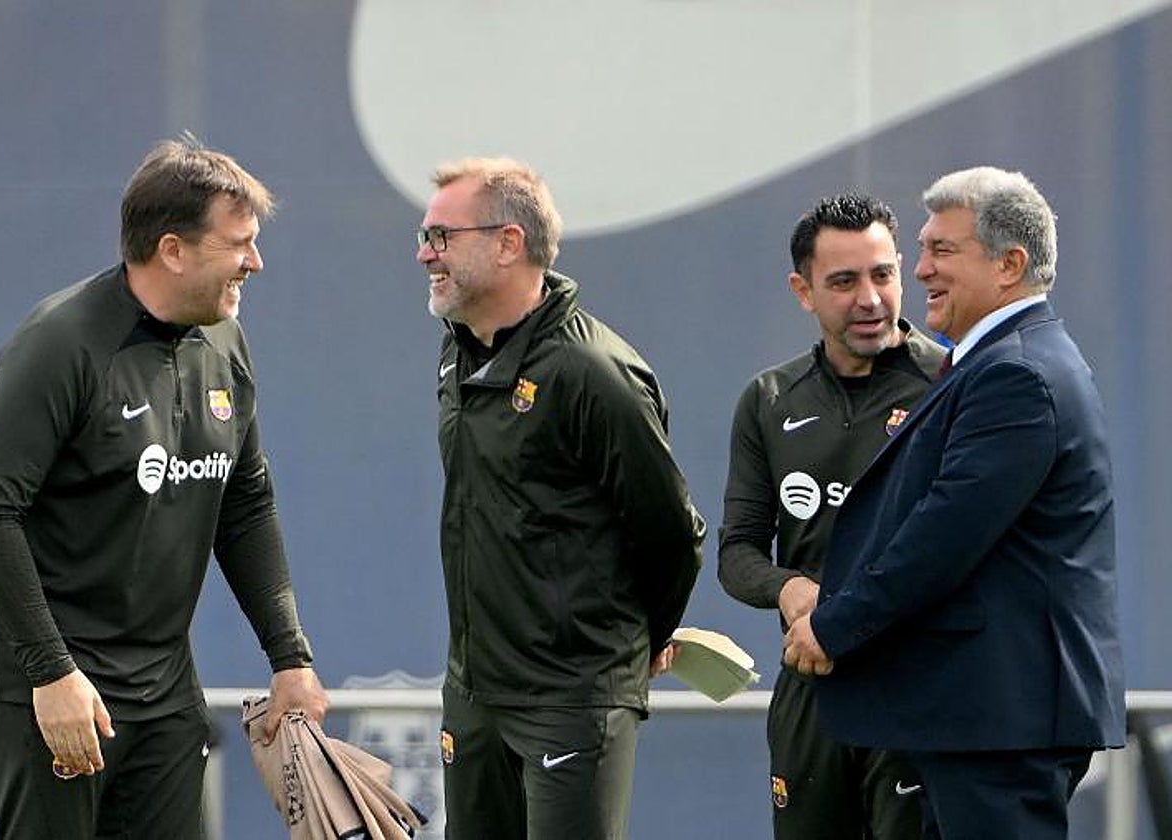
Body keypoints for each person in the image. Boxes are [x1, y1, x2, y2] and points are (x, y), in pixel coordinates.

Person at [0, 136, 328, 838]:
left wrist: (290, 656)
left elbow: (245, 502)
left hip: (164, 695)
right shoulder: (60, 343)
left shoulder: (225, 342)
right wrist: (50, 673)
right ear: (173, 250)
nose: (255, 262)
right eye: (239, 244)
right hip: (51, 691)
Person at [784, 166, 1125, 840]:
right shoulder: (1002, 361)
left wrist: (835, 625)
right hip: (982, 718)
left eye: (942, 250)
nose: (921, 270)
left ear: (1010, 265)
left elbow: (942, 537)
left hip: (1002, 721)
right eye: (922, 249)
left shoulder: (1017, 373)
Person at [416, 157, 704, 840]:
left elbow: (671, 533)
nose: (425, 254)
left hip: (572, 699)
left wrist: (637, 645)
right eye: (425, 237)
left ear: (508, 243)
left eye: (441, 236)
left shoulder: (594, 371)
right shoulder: (458, 353)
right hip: (475, 693)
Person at [719, 193, 945, 839]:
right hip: (810, 685)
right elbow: (737, 553)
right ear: (804, 291)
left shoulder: (952, 385)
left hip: (915, 689)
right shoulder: (769, 399)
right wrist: (789, 588)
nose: (870, 299)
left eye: (882, 275)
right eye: (844, 282)